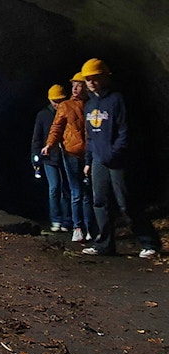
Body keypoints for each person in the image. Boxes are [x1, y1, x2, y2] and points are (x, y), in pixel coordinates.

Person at [80, 58, 161, 258]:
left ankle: (149, 242)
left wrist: (115, 153)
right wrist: (89, 161)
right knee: (100, 202)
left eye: (94, 78)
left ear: (104, 77)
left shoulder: (117, 100)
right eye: (87, 79)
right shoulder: (89, 106)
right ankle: (105, 245)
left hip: (118, 160)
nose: (91, 82)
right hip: (99, 160)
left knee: (126, 202)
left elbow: (125, 131)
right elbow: (90, 136)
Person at [41, 72, 97, 243]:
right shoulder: (66, 106)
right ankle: (77, 227)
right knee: (76, 192)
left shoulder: (92, 105)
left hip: (89, 154)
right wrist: (49, 144)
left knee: (88, 193)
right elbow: (56, 127)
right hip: (71, 153)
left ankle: (90, 228)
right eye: (73, 85)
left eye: (79, 85)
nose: (75, 88)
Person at [32, 84, 72, 233]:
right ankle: (56, 219)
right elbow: (37, 137)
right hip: (49, 158)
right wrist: (35, 157)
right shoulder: (43, 115)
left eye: (60, 100)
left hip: (66, 156)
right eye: (55, 101)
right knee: (54, 188)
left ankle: (67, 220)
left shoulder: (68, 111)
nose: (58, 104)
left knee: (67, 189)